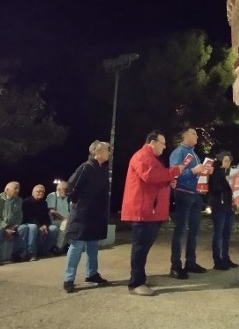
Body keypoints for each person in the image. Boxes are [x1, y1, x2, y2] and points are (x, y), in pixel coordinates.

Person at [122, 130, 184, 296]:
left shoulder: (151, 158)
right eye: (162, 143)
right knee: (140, 248)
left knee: (143, 247)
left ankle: (139, 279)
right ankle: (136, 283)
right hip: (144, 211)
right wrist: (174, 171)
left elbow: (156, 178)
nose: (164, 147)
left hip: (151, 211)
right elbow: (150, 176)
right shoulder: (142, 156)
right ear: (152, 142)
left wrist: (169, 180)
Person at [62, 141, 111, 293]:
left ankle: (92, 274)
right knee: (77, 246)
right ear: (97, 152)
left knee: (93, 246)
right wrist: (80, 204)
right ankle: (69, 279)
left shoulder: (103, 169)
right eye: (107, 150)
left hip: (96, 215)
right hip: (83, 215)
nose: (109, 152)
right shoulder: (85, 167)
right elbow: (70, 188)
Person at [169, 127, 211, 279]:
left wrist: (205, 172)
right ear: (184, 136)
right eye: (193, 133)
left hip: (195, 195)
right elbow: (174, 175)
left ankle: (190, 262)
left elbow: (196, 173)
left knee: (194, 231)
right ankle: (175, 265)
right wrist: (194, 171)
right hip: (183, 194)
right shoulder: (178, 152)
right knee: (180, 230)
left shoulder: (194, 154)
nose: (197, 136)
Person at [0, 181, 29, 266]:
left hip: (10, 227)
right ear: (7, 190)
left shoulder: (18, 200)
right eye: (15, 188)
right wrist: (5, 227)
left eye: (18, 189)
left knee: (24, 228)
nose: (17, 191)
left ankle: (16, 254)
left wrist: (13, 228)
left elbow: (19, 217)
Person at [207, 151, 238, 270]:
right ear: (220, 161)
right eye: (225, 160)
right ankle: (217, 260)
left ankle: (225, 257)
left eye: (229, 160)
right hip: (219, 205)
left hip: (229, 205)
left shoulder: (230, 172)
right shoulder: (216, 172)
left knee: (227, 233)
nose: (228, 162)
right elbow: (214, 188)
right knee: (218, 233)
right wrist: (227, 181)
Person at [22, 184, 59, 260]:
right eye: (38, 191)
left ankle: (46, 251)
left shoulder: (44, 203)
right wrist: (39, 226)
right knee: (33, 227)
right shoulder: (26, 202)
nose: (40, 193)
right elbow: (28, 217)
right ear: (33, 192)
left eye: (42, 192)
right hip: (29, 223)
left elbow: (46, 217)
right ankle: (31, 254)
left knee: (54, 228)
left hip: (42, 225)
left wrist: (45, 225)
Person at [46, 180, 70, 253]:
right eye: (65, 189)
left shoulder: (68, 198)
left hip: (66, 221)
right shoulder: (52, 196)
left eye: (68, 189)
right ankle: (58, 247)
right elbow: (52, 211)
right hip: (55, 221)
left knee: (72, 224)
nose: (67, 191)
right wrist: (64, 219)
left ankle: (67, 246)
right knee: (66, 223)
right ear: (59, 189)